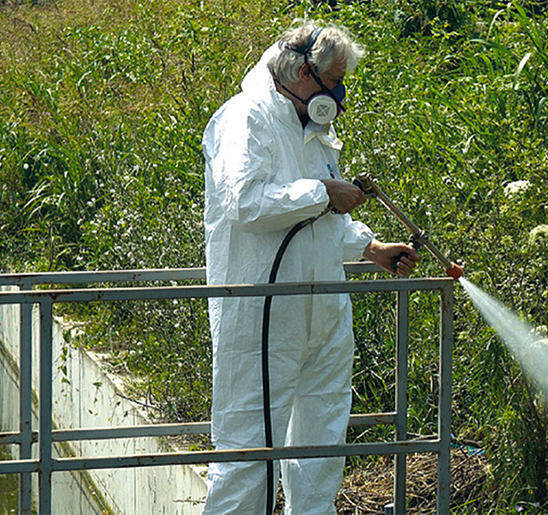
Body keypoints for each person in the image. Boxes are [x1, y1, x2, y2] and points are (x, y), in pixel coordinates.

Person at [202, 20, 419, 514]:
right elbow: (247, 204)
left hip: (324, 309)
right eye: (336, 79)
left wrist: (369, 247)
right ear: (304, 71)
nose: (341, 93)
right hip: (263, 312)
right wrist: (323, 192)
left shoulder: (314, 127)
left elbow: (319, 222)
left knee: (320, 444)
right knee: (248, 450)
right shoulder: (245, 119)